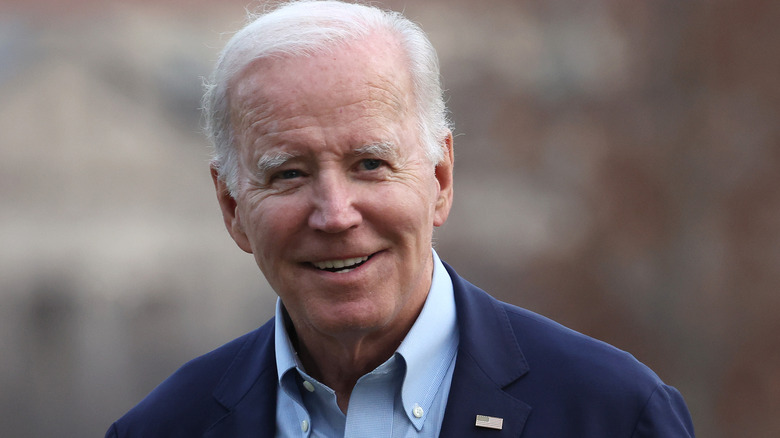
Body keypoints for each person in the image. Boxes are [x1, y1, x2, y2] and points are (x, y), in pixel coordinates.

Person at [105, 1, 695, 436]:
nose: (335, 215)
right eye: (288, 174)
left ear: (440, 180)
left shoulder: (612, 414)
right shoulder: (160, 429)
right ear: (232, 208)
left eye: (369, 163)